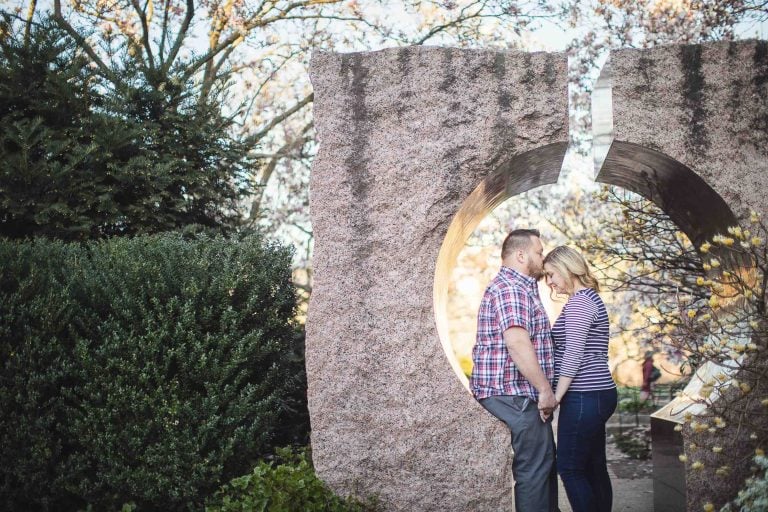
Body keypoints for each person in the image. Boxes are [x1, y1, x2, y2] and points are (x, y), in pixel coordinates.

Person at [470, 228, 559, 512]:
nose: (543, 259)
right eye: (539, 252)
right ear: (521, 255)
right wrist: (545, 390)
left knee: (542, 466)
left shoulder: (518, 288)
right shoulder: (511, 289)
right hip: (512, 395)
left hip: (516, 395)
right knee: (534, 472)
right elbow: (517, 343)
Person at [543, 246, 617, 512]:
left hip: (585, 394)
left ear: (567, 267)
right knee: (594, 467)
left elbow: (573, 355)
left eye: (551, 274)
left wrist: (556, 397)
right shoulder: (589, 299)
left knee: (570, 468)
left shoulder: (580, 303)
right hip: (595, 393)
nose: (549, 282)